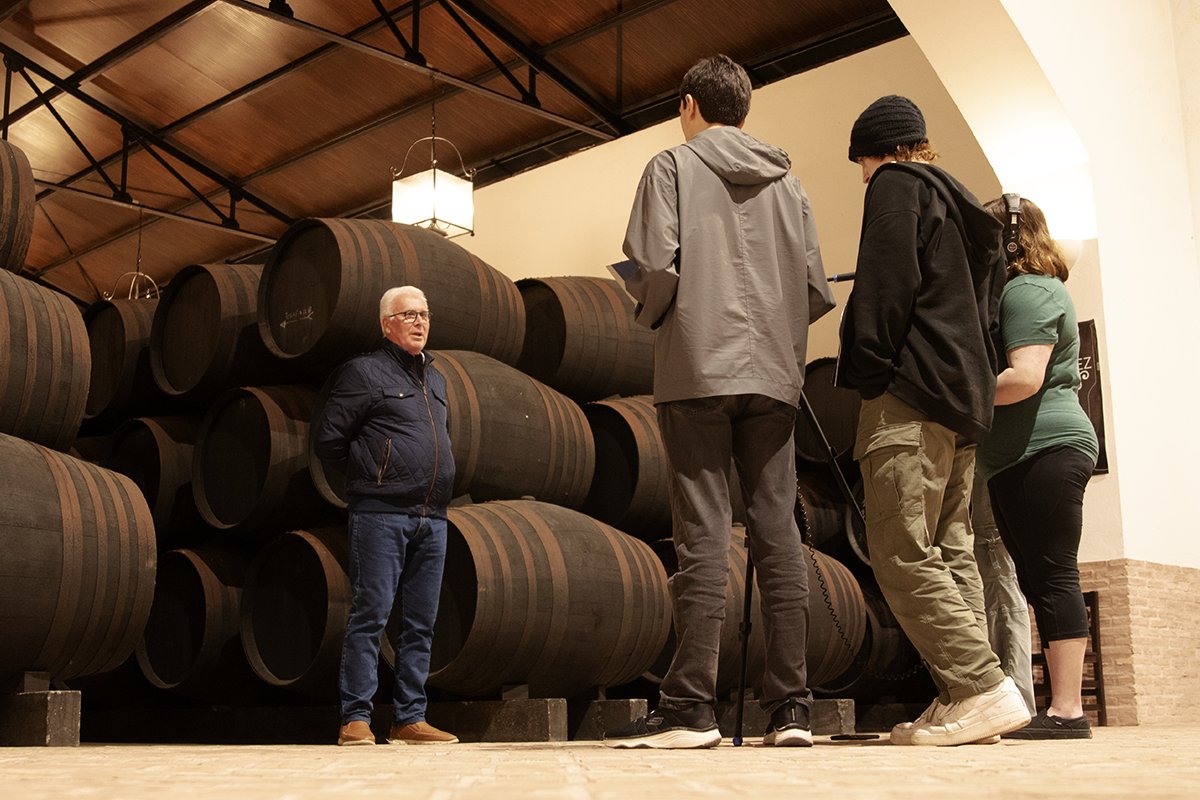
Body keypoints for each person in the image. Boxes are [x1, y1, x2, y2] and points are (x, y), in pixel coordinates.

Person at [603, 54, 835, 749]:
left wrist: (654, 312)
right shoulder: (789, 183)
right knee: (779, 535)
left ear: (688, 105)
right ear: (744, 110)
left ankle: (690, 709)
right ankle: (791, 709)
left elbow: (653, 267)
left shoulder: (670, 167)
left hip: (697, 370)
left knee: (703, 534)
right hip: (774, 377)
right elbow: (815, 288)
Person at [835, 94, 1030, 746]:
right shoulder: (968, 209)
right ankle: (965, 697)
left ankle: (978, 687)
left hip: (909, 396)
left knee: (900, 551)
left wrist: (868, 369)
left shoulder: (896, 186)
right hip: (962, 403)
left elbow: (884, 288)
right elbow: (988, 316)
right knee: (951, 551)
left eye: (860, 164)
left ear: (878, 152)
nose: (862, 177)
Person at [313, 285, 458, 747]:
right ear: (386, 323)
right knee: (371, 615)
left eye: (425, 314)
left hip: (432, 517)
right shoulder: (364, 371)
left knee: (420, 623)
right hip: (381, 513)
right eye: (409, 315)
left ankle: (409, 718)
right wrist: (373, 473)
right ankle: (356, 718)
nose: (420, 322)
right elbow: (328, 439)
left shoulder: (436, 378)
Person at [979, 194, 1099, 740]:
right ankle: (1060, 708)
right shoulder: (1021, 290)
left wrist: (957, 393)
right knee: (1037, 579)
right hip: (1018, 455)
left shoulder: (1028, 289)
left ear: (1009, 240)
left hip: (1045, 446)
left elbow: (1025, 377)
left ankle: (1068, 711)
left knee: (1053, 575)